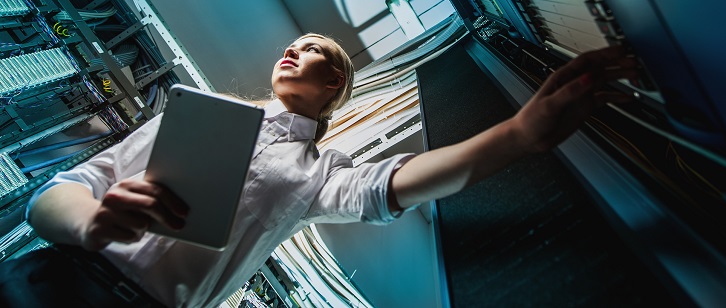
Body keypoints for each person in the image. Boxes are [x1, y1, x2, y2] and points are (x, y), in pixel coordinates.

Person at [2, 33, 638, 307]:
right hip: (43, 277)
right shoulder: (204, 111)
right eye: (293, 44)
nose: (293, 49)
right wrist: (88, 223)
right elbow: (58, 193)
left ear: (334, 81)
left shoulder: (319, 173)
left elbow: (403, 182)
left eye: (311, 50)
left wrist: (519, 135)